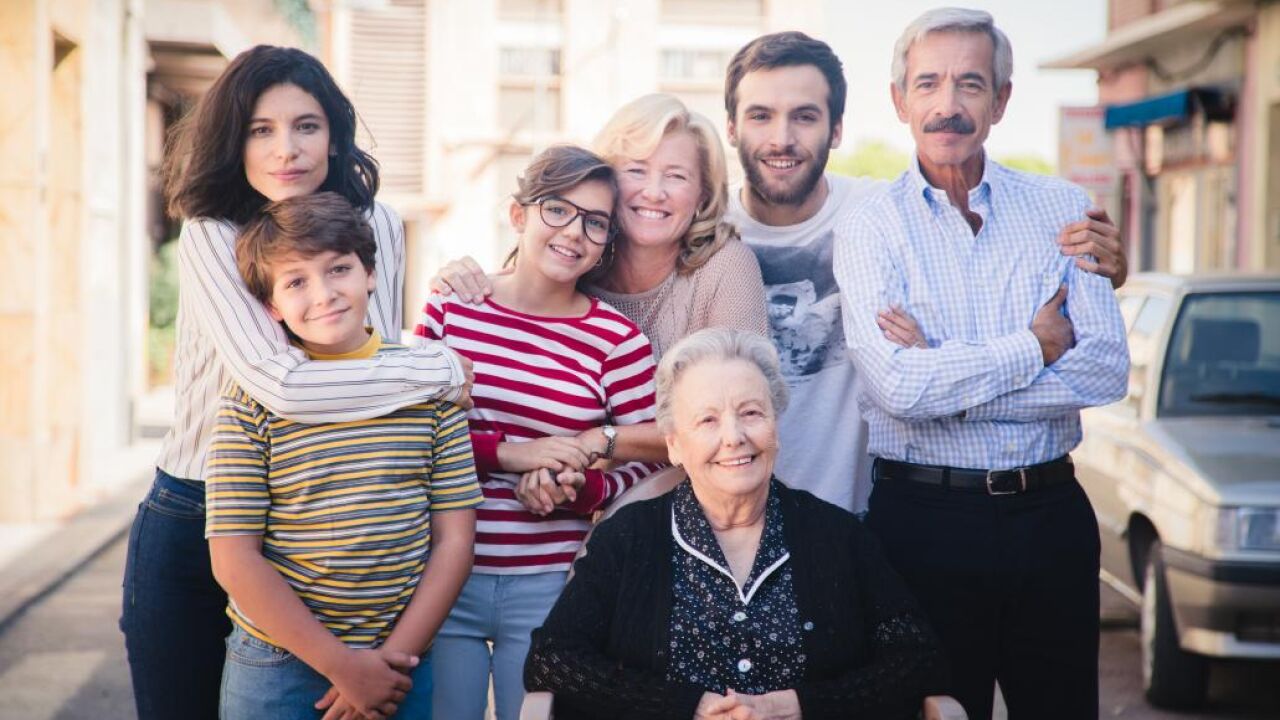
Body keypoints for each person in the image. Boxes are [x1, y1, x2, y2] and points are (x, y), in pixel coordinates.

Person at [120, 45, 470, 720]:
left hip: (329, 518)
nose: (288, 149)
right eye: (262, 129)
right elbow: (280, 382)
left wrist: (419, 371)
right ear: (234, 141)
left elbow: (379, 376)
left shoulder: (378, 226)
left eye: (306, 125)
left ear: (334, 134)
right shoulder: (212, 235)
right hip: (198, 519)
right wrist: (444, 366)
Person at [833, 9, 1129, 719]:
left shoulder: (1062, 208)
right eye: (928, 83)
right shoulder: (871, 223)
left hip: (1050, 516)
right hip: (921, 522)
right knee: (929, 711)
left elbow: (1106, 371)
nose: (948, 104)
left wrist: (945, 374)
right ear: (900, 100)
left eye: (971, 83)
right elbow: (897, 388)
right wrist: (1033, 348)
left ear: (1001, 100)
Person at [720, 30, 1129, 514]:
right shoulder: (703, 229)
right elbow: (901, 387)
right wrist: (1031, 347)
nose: (782, 138)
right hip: (731, 513)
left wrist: (1108, 272)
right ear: (730, 127)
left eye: (805, 116)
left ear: (836, 130)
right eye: (760, 115)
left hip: (855, 514)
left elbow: (1004, 283)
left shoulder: (881, 213)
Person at [524, 327, 943, 720]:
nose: (734, 436)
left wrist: (797, 705)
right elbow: (552, 660)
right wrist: (691, 706)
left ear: (775, 426)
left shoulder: (837, 535)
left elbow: (917, 658)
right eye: (707, 420)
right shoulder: (630, 536)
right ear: (674, 445)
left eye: (751, 413)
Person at [205, 193, 482, 720]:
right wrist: (343, 667)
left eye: (338, 269)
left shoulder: (427, 383)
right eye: (295, 282)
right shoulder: (252, 397)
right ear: (271, 305)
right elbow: (234, 557)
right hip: (277, 662)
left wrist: (391, 662)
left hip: (402, 658)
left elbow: (455, 541)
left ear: (371, 274)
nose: (324, 294)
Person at [415, 145, 663, 720]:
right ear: (519, 214)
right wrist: (511, 455)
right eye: (558, 209)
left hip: (551, 581)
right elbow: (413, 433)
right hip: (446, 573)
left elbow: (653, 453)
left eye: (595, 222)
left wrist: (584, 491)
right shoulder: (454, 307)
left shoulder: (615, 340)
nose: (574, 232)